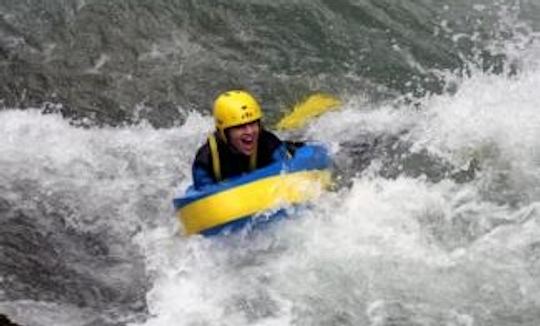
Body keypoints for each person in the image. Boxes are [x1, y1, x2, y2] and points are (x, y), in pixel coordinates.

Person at [192, 90, 300, 190]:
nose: (250, 131)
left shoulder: (269, 145)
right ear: (224, 133)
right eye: (240, 126)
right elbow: (204, 196)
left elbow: (287, 177)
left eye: (253, 123)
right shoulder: (206, 160)